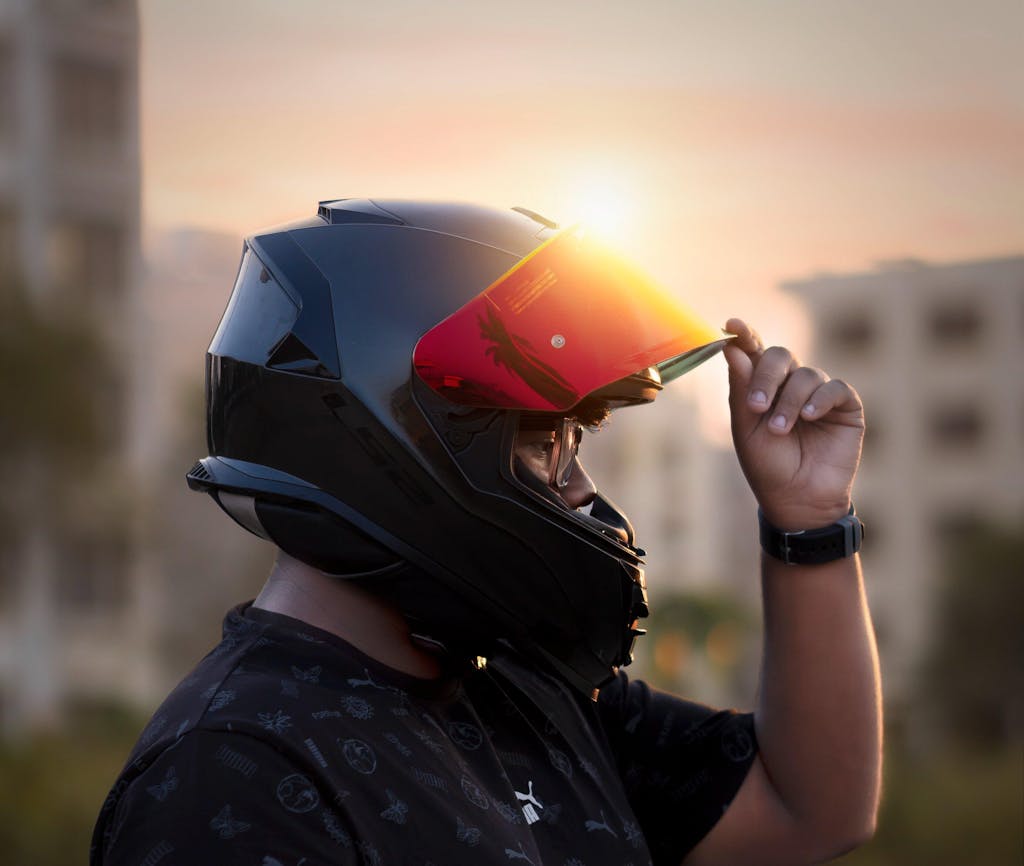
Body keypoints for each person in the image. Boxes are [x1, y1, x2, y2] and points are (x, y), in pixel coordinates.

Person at [91, 199, 881, 865]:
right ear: (398, 439)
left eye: (575, 441)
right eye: (544, 444)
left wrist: (808, 521)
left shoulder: (524, 691)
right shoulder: (237, 773)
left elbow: (811, 808)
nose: (579, 487)